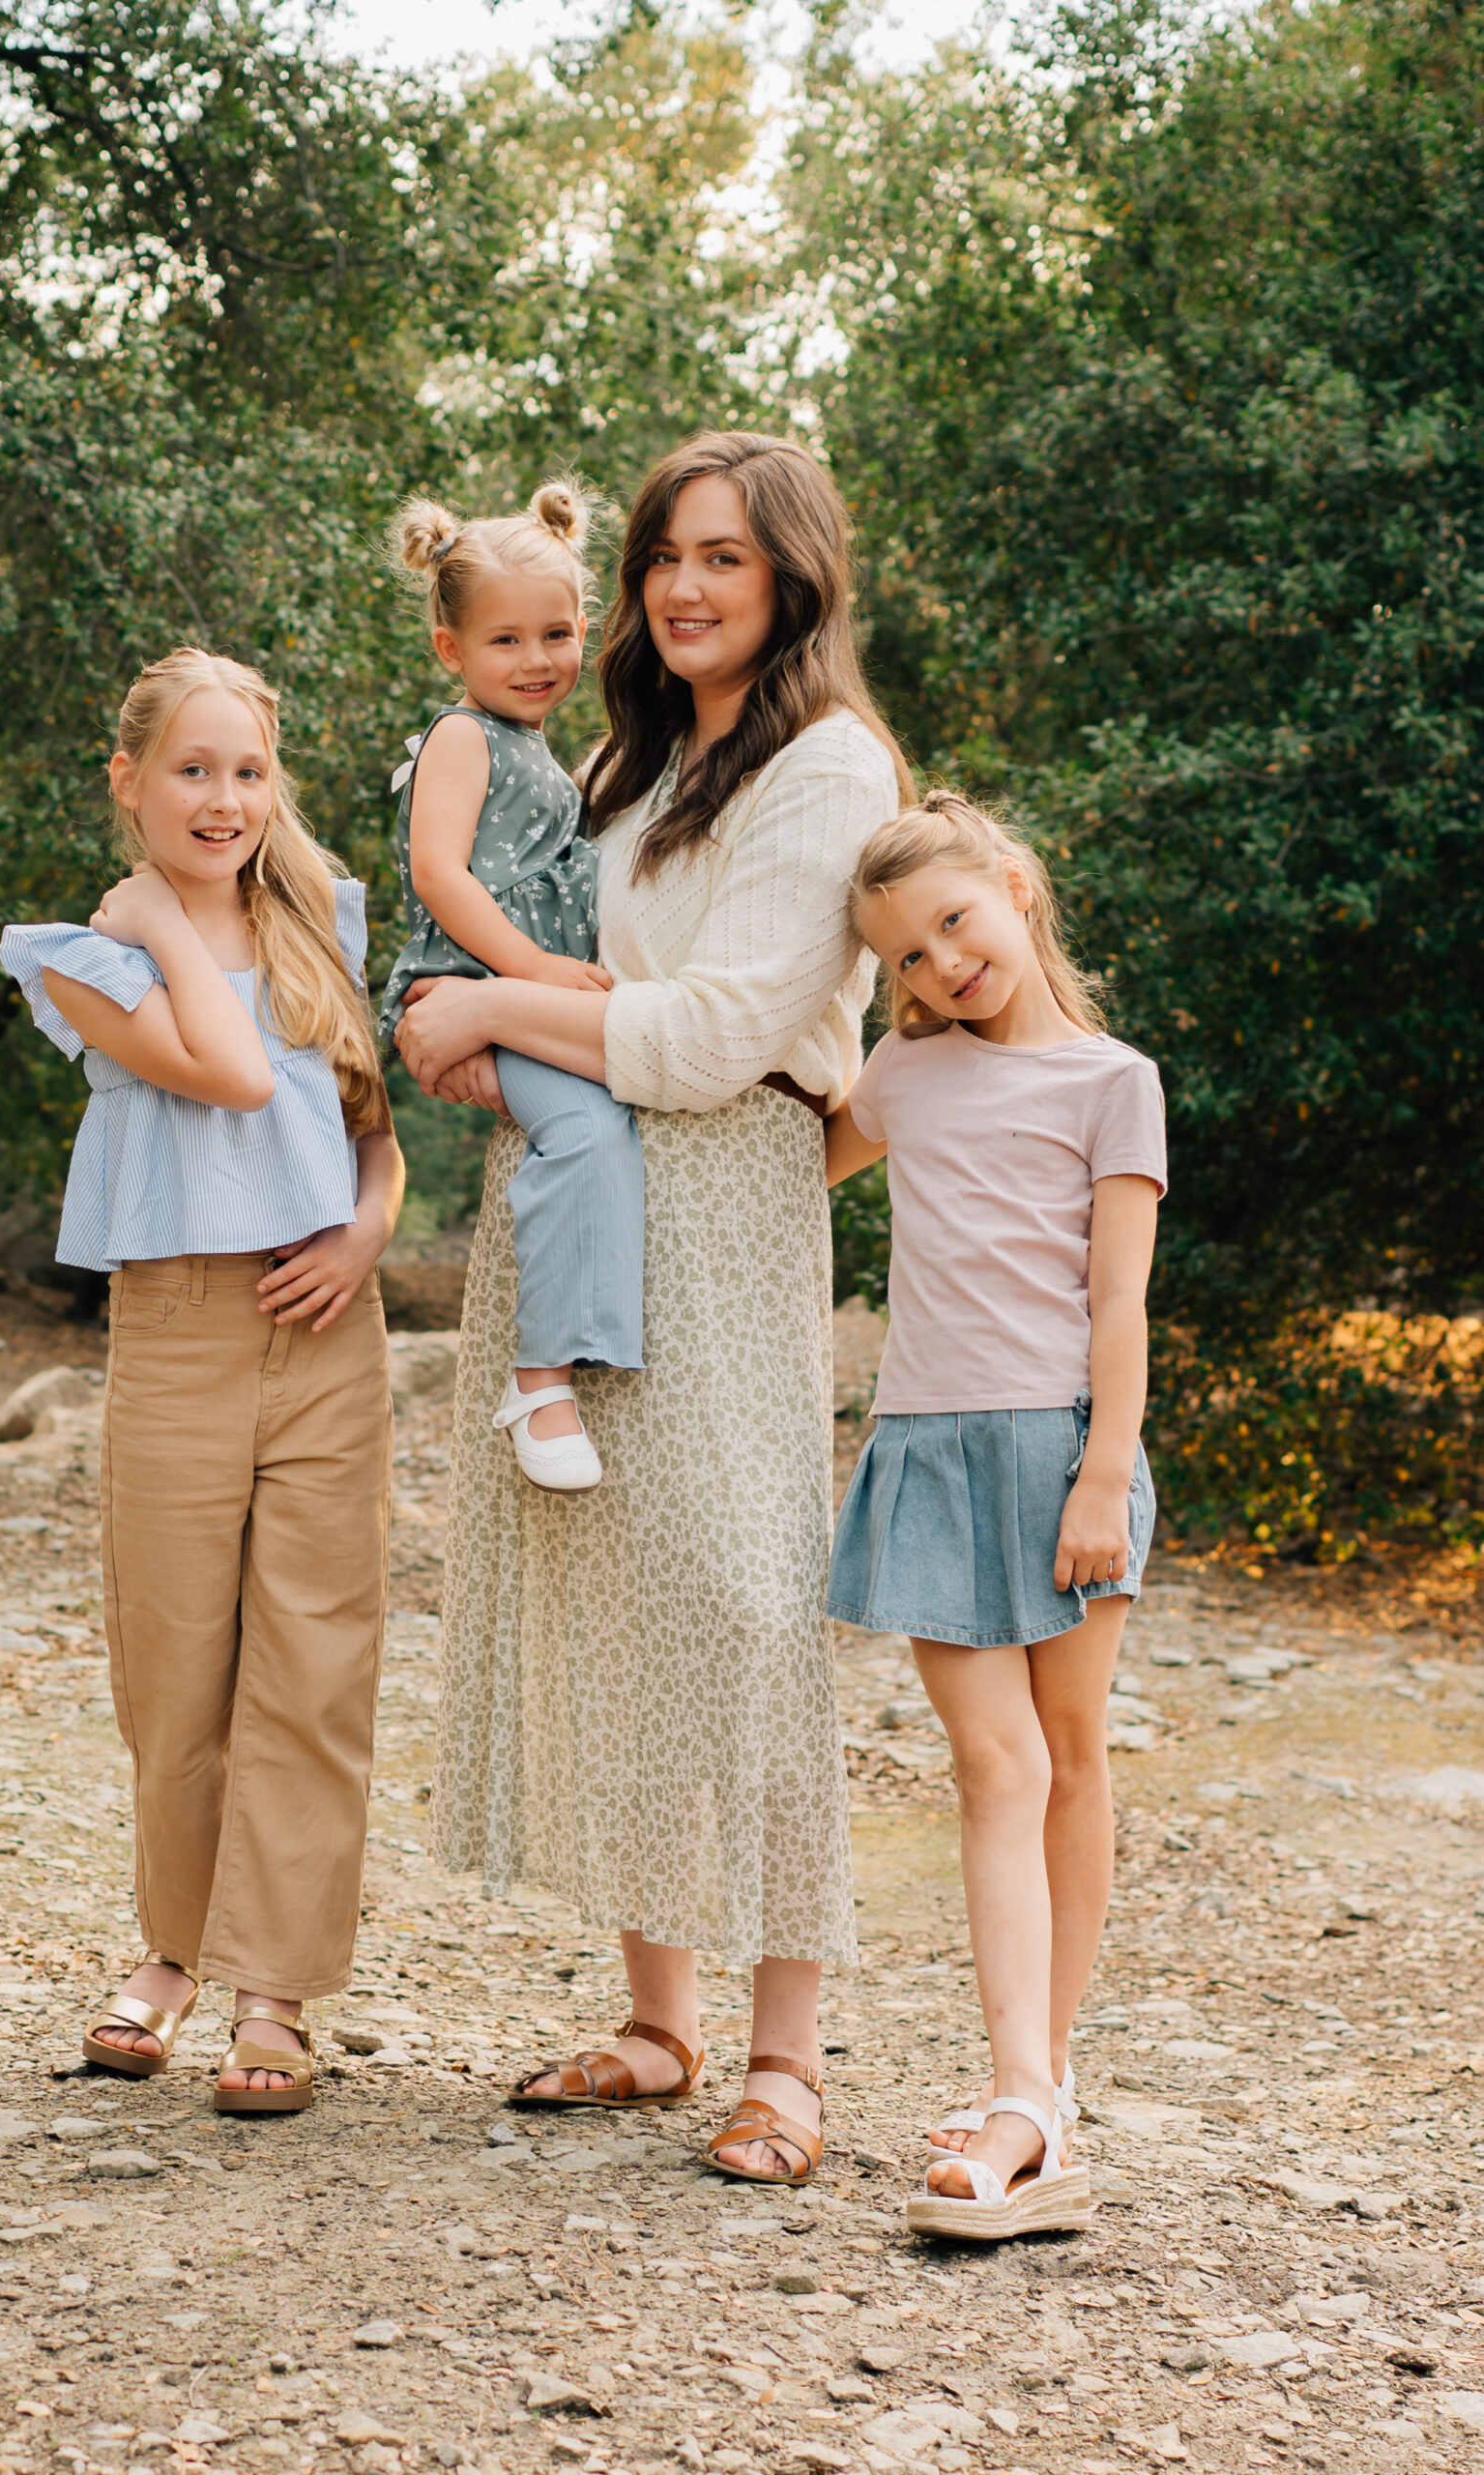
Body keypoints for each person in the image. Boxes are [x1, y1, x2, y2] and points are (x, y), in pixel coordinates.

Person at [395, 432, 912, 2185]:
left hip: (723, 1200)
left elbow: (705, 1038)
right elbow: (549, 969)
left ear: (792, 578)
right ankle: (655, 2020)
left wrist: (487, 1018)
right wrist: (460, 1029)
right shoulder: (619, 754)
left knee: (746, 1604)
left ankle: (786, 2057)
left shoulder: (828, 767)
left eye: (724, 559)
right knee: (616, 1596)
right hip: (583, 1193)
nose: (684, 588)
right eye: (662, 558)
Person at [0, 647, 403, 2115]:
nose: (224, 798)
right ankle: (171, 1951)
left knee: (312, 1663)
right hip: (176, 1323)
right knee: (176, 1668)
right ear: (131, 781)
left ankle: (273, 1994)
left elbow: (366, 1132)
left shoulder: (326, 925)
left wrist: (366, 1232)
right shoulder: (83, 955)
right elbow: (229, 1074)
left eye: (247, 772)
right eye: (192, 769)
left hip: (323, 1327)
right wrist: (169, 924)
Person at [824, 789, 1167, 2239]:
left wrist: (1102, 1471)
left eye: (951, 923)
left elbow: (1115, 1298)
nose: (937, 967)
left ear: (1014, 890)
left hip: (1061, 1453)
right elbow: (771, 1169)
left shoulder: (1110, 1080)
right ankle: (1023, 2090)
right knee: (989, 1766)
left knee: (1068, 1759)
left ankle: (1037, 2086)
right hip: (922, 1448)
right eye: (901, 956)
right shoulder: (898, 1078)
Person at [380, 482, 645, 1492]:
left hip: (520, 993)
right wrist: (534, 972)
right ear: (452, 650)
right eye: (505, 642)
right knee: (583, 1129)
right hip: (469, 980)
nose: (537, 661)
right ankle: (539, 1381)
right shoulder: (460, 737)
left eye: (557, 634)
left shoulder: (541, 750)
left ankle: (586, 1346)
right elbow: (441, 872)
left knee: (602, 1120)